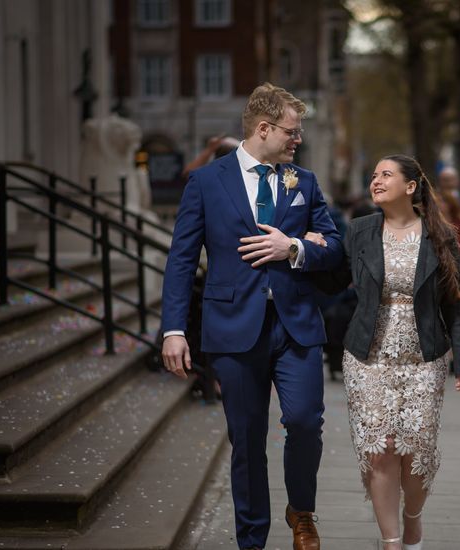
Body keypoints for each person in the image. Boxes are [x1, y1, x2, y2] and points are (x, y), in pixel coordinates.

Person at [160, 83, 343, 550]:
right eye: (291, 131)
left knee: (304, 421)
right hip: (232, 329)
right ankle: (252, 540)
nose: (297, 139)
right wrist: (174, 329)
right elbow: (182, 259)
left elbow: (335, 247)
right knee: (247, 440)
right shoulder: (206, 182)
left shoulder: (303, 182)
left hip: (296, 326)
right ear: (264, 129)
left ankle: (302, 511)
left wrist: (295, 247)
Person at [332, 154, 460, 550]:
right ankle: (392, 541)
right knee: (380, 448)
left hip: (423, 357)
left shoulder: (441, 235)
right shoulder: (359, 229)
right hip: (366, 357)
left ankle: (412, 518)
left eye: (386, 174)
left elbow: (456, 303)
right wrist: (297, 249)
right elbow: (333, 278)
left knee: (416, 451)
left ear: (410, 186)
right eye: (373, 174)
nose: (375, 180)